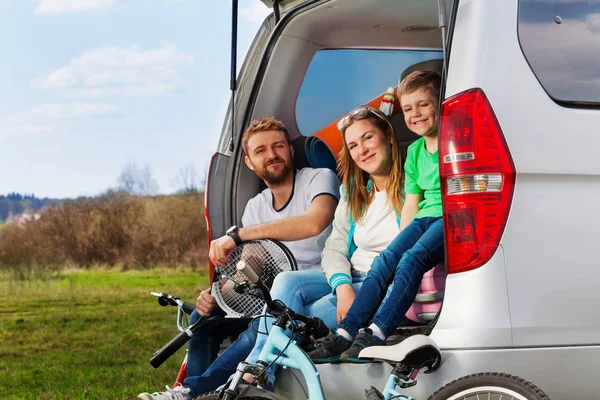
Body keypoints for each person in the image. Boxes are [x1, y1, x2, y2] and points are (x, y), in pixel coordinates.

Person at [138, 116, 339, 400]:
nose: (271, 155)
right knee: (203, 316)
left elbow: (313, 223)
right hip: (275, 295)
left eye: (278, 146)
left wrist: (238, 234)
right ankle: (192, 393)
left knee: (263, 322)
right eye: (260, 151)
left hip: (317, 287)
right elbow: (249, 266)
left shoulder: (319, 179)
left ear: (290, 151)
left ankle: (195, 391)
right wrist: (218, 293)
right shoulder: (255, 206)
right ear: (249, 162)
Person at [241, 104, 406, 383]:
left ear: (389, 137)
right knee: (286, 283)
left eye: (368, 138)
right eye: (353, 145)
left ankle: (258, 373)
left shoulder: (410, 188)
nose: (362, 150)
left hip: (381, 283)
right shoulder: (354, 192)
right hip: (349, 277)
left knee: (297, 317)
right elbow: (334, 247)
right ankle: (259, 368)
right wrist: (342, 287)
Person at [307, 70, 445, 363]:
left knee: (412, 259)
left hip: (446, 217)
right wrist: (399, 244)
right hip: (424, 217)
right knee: (389, 259)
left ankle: (378, 331)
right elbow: (413, 203)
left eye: (423, 105)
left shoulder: (451, 143)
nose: (415, 113)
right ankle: (345, 333)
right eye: (408, 108)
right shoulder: (416, 152)